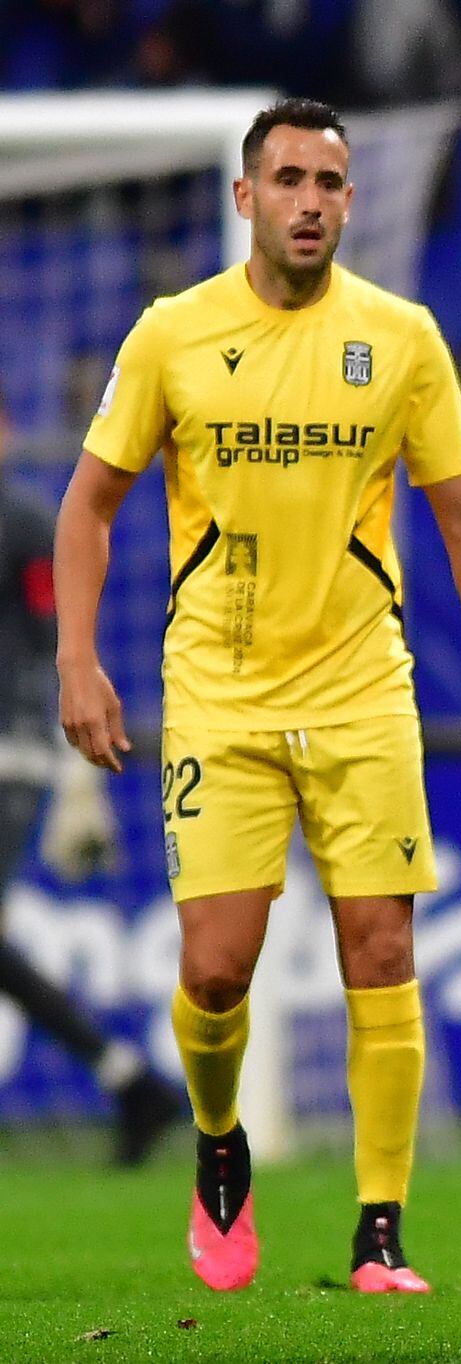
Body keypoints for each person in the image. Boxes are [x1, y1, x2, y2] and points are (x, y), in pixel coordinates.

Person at [53, 97, 461, 1295]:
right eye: (289, 179)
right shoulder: (173, 334)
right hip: (217, 689)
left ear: (349, 201)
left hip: (365, 687)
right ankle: (219, 1138)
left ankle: (380, 1228)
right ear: (244, 197)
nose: (310, 200)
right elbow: (89, 504)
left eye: (329, 181)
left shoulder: (401, 338)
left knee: (381, 948)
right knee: (215, 967)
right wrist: (77, 659)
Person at [0, 394, 185, 1165]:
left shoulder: (27, 523)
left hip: (9, 747)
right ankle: (131, 1082)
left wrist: (77, 778)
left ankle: (133, 1084)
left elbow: (51, 645)